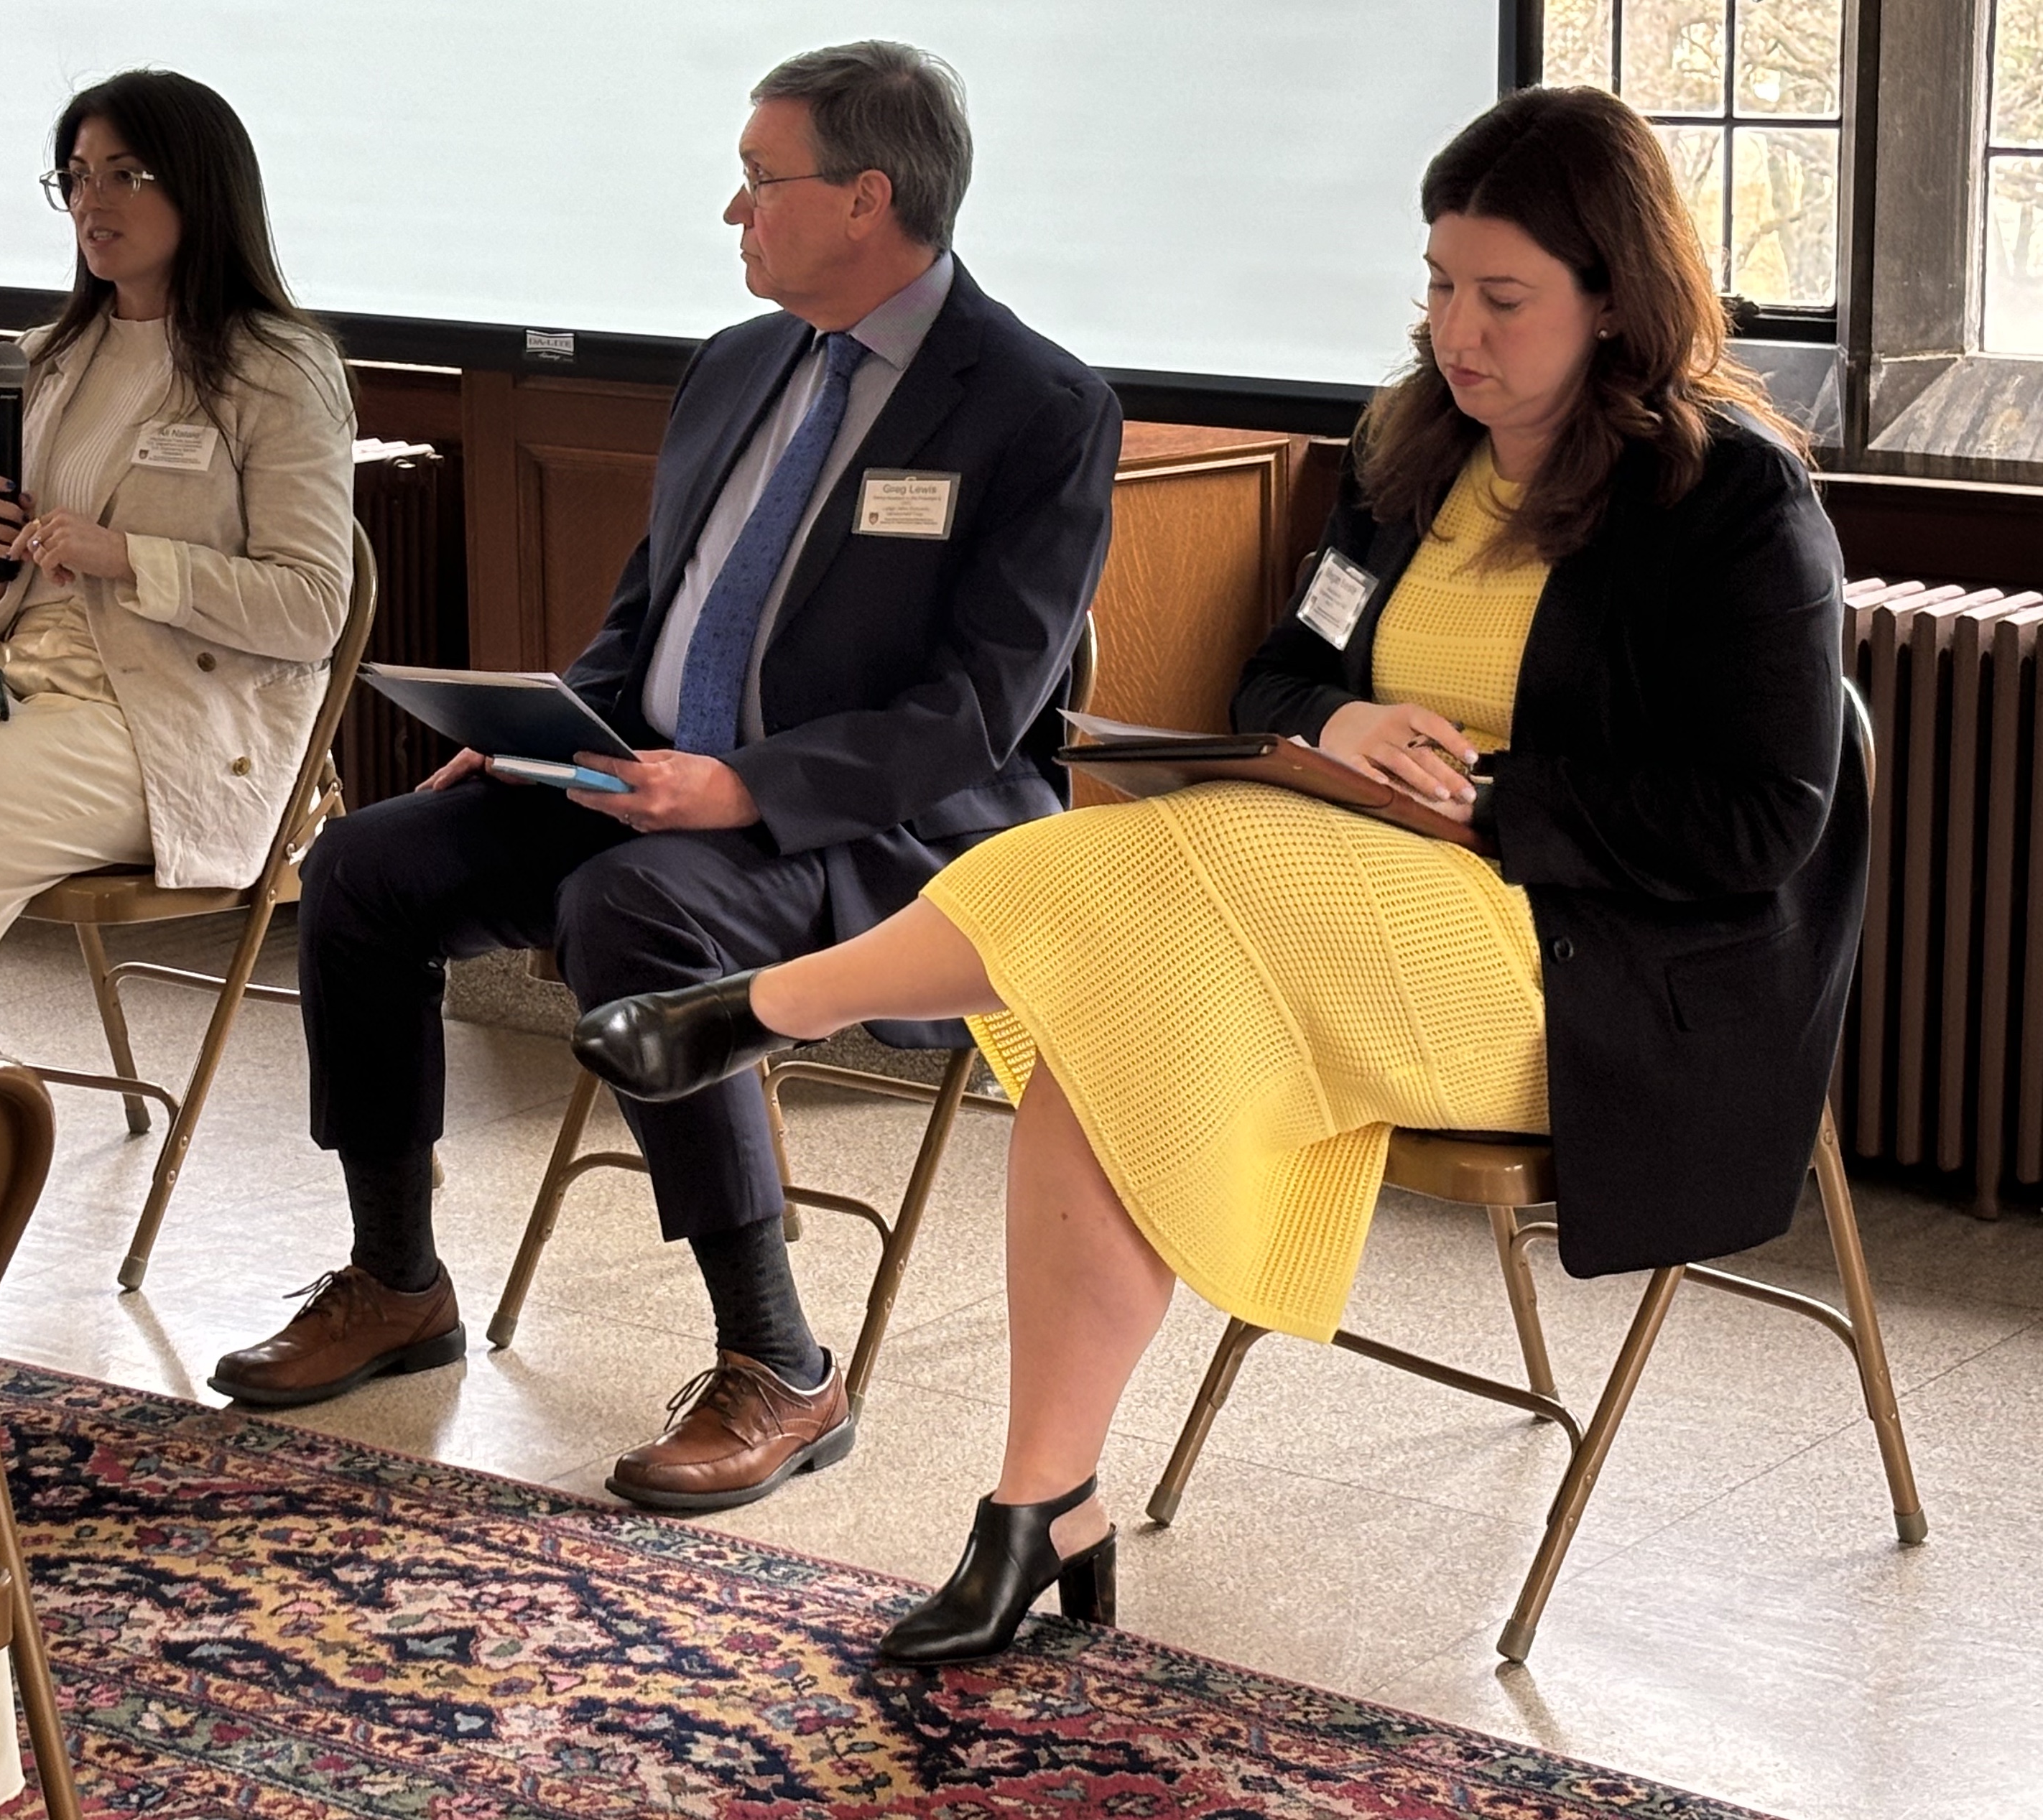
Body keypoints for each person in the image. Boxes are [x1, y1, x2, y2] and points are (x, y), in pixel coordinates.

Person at [573, 83, 1862, 1661]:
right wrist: (1342, 715)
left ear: (1616, 301)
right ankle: (1037, 1507)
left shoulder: (1729, 494)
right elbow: (1271, 684)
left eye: (1500, 297)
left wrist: (1486, 799)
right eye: (1439, 286)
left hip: (1582, 962)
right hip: (1352, 886)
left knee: (1139, 910)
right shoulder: (1409, 455)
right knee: (1120, 953)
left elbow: (1762, 820)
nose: (1457, 331)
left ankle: (756, 1010)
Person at [209, 42, 1124, 1518]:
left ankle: (779, 1358)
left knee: (637, 908)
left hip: (873, 832)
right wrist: (543, 733)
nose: (733, 213)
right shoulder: (741, 362)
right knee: (371, 868)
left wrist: (744, 789)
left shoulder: (1038, 406)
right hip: (646, 780)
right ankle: (395, 1278)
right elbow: (655, 610)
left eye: (762, 183)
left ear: (867, 199)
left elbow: (977, 712)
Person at [0, 70, 356, 1062]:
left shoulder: (278, 370)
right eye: (76, 177)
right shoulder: (49, 357)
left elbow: (311, 610)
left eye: (125, 174)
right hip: (22, 678)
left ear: (202, 190)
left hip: (166, 718)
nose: (92, 202)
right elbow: (12, 590)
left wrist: (126, 557)